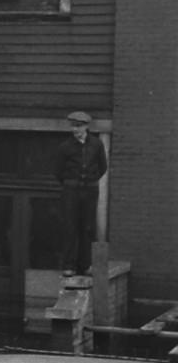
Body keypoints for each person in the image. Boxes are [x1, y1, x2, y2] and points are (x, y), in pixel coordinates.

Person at [54, 110, 107, 276]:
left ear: (86, 126)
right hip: (71, 191)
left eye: (78, 126)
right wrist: (73, 183)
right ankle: (69, 266)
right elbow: (58, 171)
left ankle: (85, 265)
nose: (75, 130)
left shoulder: (97, 144)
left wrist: (89, 181)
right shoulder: (65, 147)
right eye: (73, 126)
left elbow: (102, 167)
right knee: (70, 226)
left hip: (90, 190)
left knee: (88, 227)